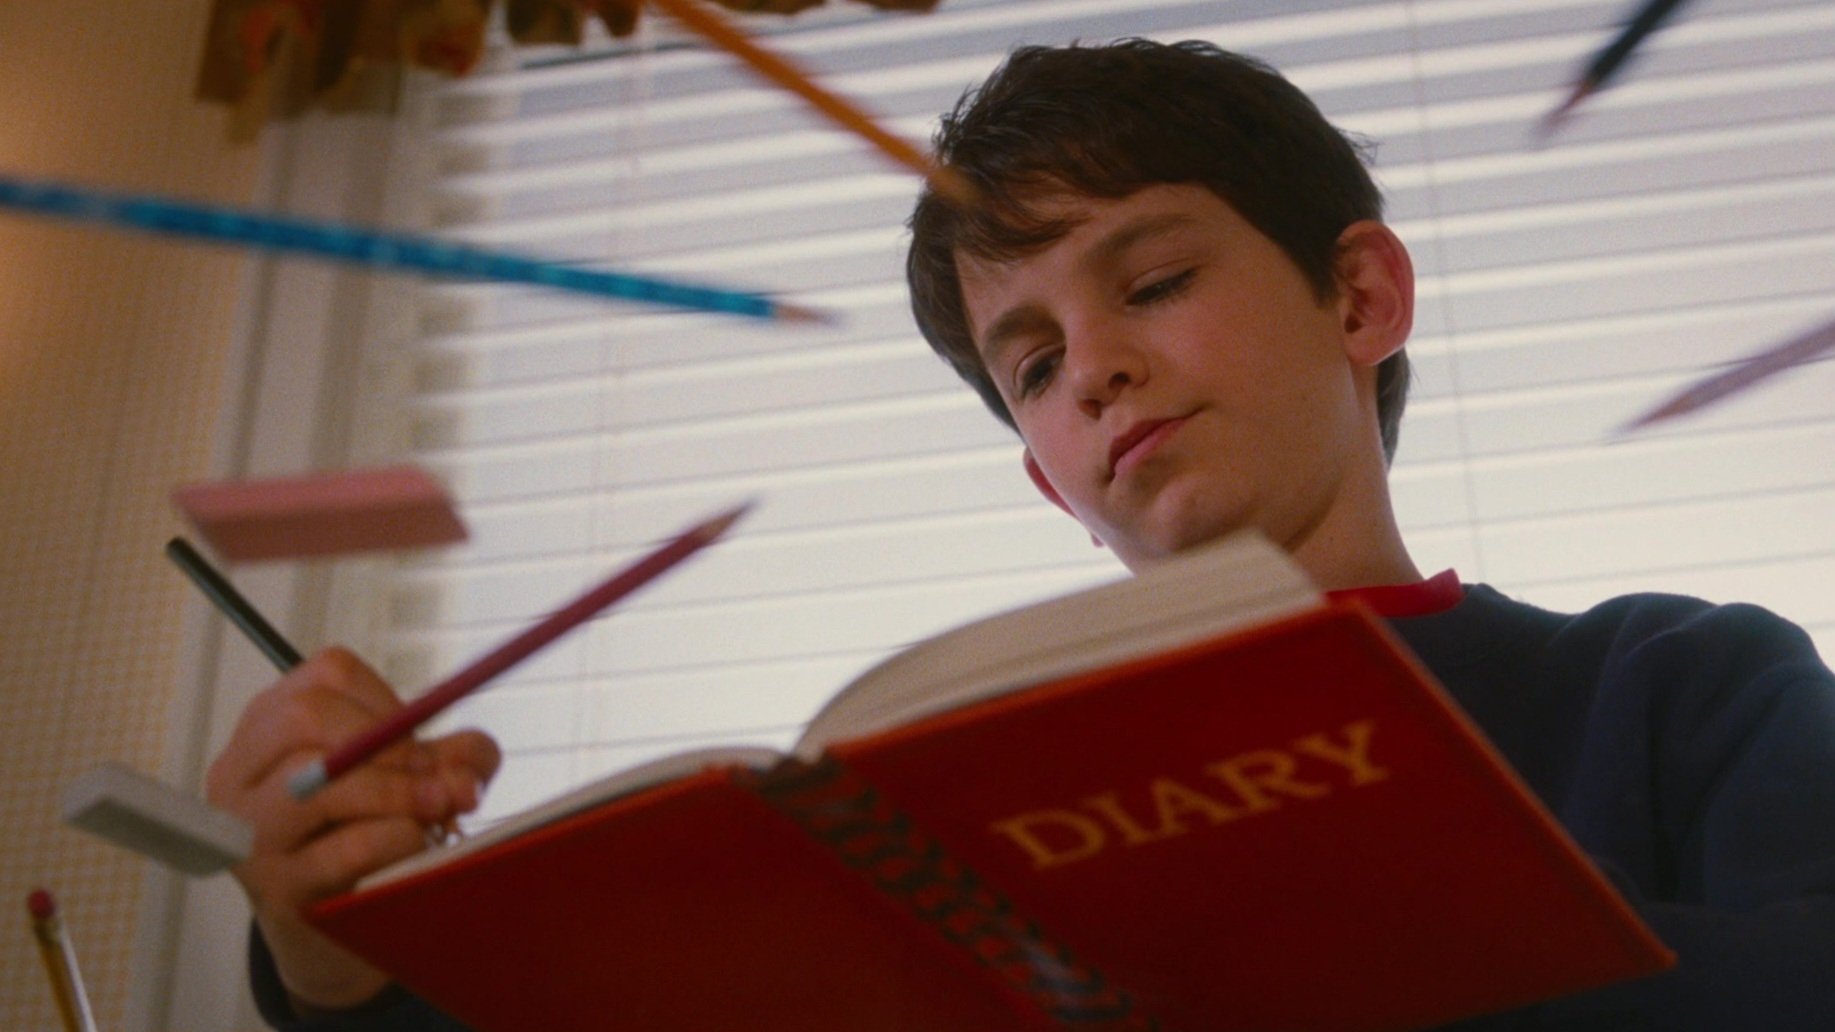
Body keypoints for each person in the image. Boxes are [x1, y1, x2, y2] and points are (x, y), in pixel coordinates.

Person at [216, 38, 1835, 1031]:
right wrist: (338, 969)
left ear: (1359, 296)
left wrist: (1362, 942)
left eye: (1153, 282)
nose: (1097, 370)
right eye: (1035, 367)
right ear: (1050, 480)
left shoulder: (1675, 684)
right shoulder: (944, 812)